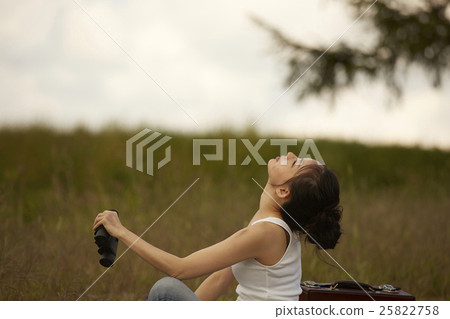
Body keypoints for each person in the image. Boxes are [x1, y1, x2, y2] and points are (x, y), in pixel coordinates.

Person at [92, 152, 342, 301]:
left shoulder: (266, 233)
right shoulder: (272, 226)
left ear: (285, 190)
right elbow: (219, 279)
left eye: (296, 163)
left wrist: (120, 231)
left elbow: (179, 269)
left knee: (165, 289)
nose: (289, 155)